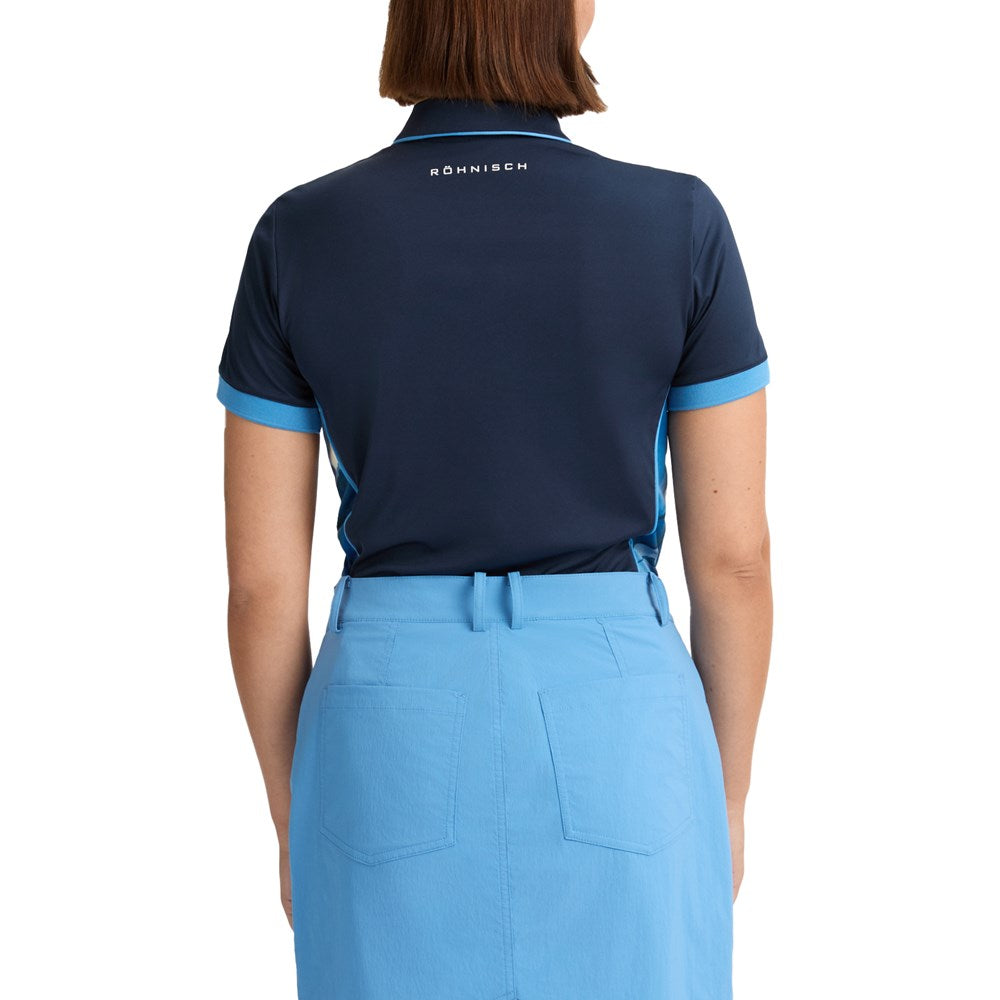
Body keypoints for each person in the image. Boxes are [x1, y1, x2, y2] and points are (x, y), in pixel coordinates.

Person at [216, 0, 773, 996]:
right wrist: (722, 801)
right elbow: (733, 561)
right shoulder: (677, 221)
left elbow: (261, 585)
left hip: (387, 715)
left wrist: (293, 809)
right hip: (618, 711)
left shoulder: (302, 230)